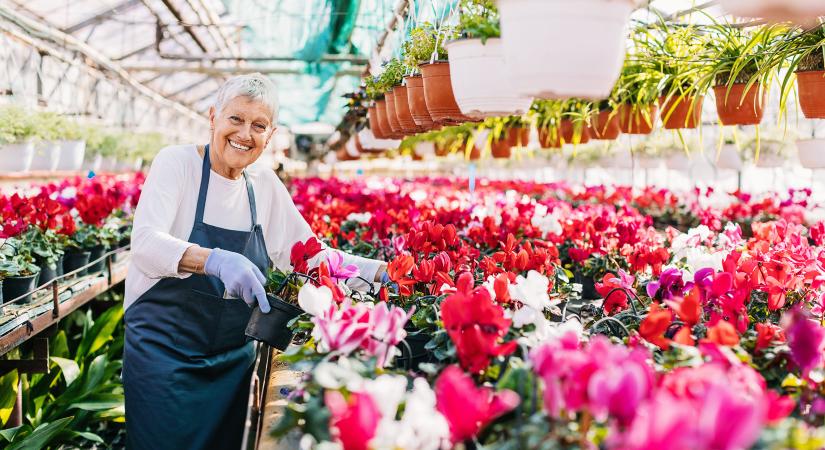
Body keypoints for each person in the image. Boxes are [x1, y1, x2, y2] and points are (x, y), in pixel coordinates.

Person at [122, 73, 387, 450]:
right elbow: (146, 245)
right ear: (213, 117)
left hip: (232, 361)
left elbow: (311, 255)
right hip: (164, 357)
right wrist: (212, 260)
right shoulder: (177, 164)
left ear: (271, 133)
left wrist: (379, 273)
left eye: (258, 125)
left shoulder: (262, 185)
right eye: (235, 119)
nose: (245, 134)